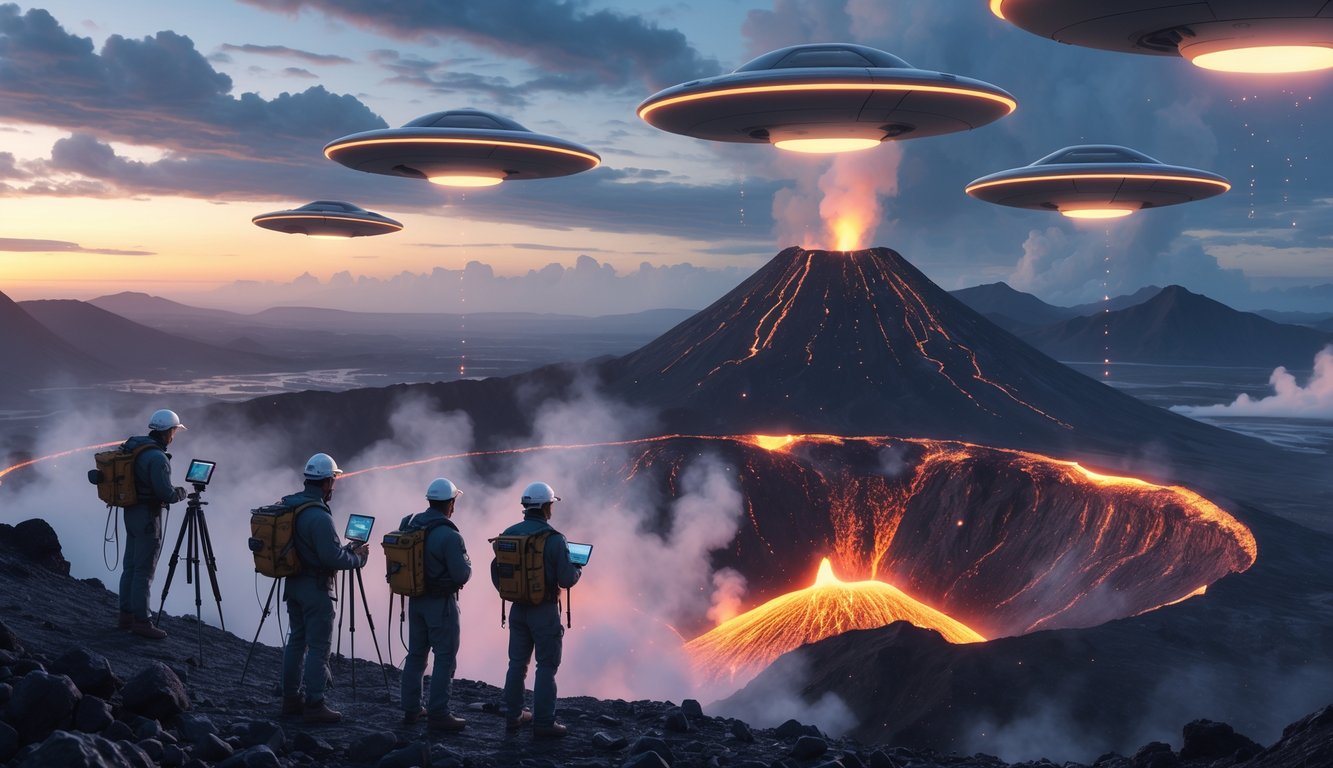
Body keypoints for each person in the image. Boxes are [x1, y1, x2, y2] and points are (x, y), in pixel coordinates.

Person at [279, 453, 368, 724]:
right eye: (333, 481)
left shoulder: (290, 506)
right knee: (318, 647)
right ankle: (315, 704)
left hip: (293, 583)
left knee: (296, 640)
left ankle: (291, 699)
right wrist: (357, 559)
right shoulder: (319, 516)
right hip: (315, 588)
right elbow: (331, 558)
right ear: (327, 481)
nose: (334, 486)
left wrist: (342, 552)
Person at [494, 481, 581, 738]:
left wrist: (512, 592)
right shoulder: (554, 539)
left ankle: (513, 716)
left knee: (516, 663)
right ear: (545, 507)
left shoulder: (508, 533)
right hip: (544, 610)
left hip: (517, 609)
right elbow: (566, 579)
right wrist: (577, 569)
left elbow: (497, 572)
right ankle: (544, 723)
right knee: (546, 666)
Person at [399, 477, 472, 732]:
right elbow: (461, 574)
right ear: (450, 503)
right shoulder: (449, 535)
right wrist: (468, 565)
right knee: (445, 657)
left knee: (416, 654)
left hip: (415, 600)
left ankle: (411, 709)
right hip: (440, 604)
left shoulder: (411, 525)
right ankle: (439, 713)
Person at [118, 409, 187, 640]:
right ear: (168, 432)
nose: (174, 435)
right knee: (144, 571)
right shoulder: (157, 458)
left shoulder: (135, 448)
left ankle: (125, 616)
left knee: (130, 566)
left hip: (131, 512)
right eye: (174, 430)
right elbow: (166, 493)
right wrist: (181, 492)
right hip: (148, 516)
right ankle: (142, 621)